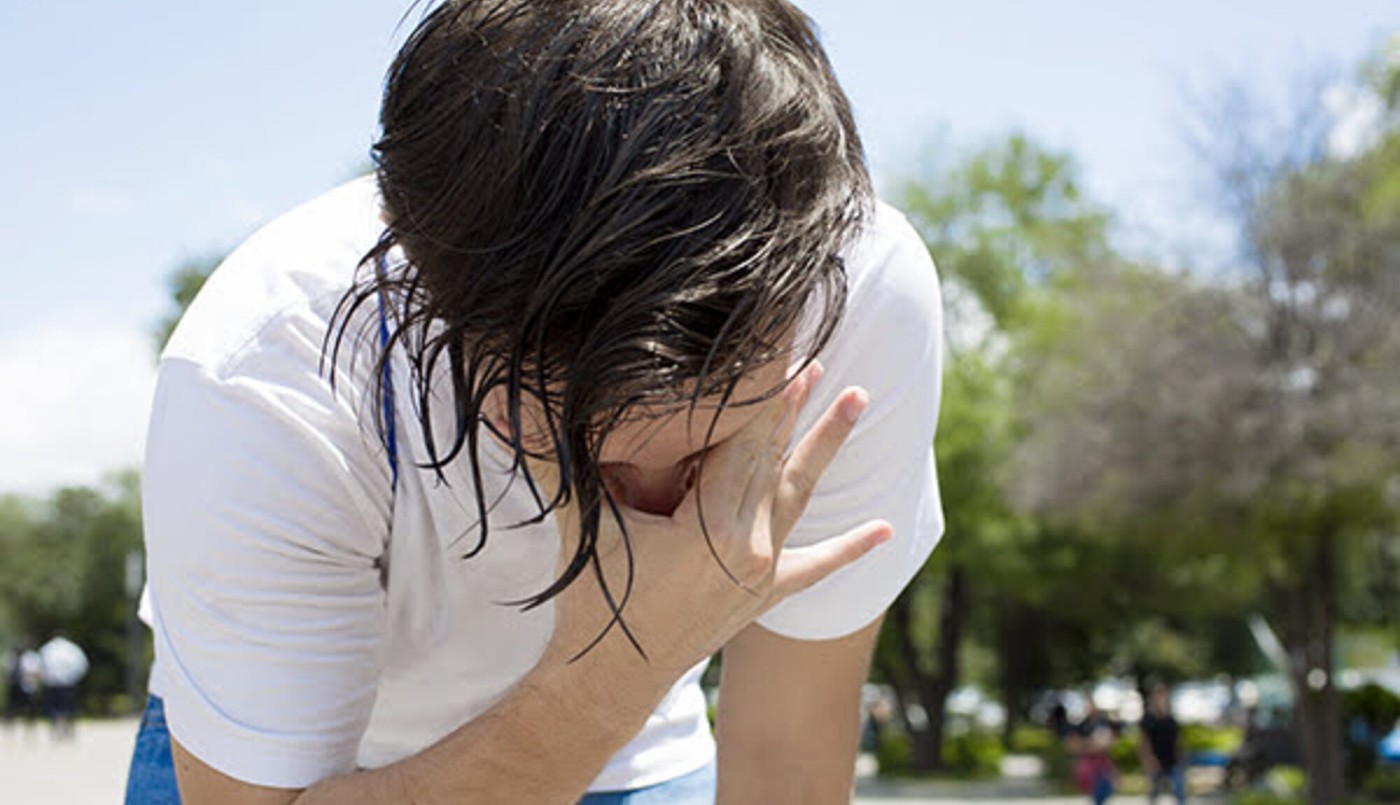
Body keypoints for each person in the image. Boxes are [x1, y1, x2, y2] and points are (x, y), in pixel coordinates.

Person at [124, 1, 944, 803]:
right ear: (434, 313)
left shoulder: (862, 301)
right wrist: (608, 679)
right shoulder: (269, 376)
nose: (677, 525)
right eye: (598, 458)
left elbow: (783, 757)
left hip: (638, 760)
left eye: (712, 448)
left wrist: (619, 692)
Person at [1067, 693, 1119, 805]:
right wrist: (1091, 745)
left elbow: (1110, 741)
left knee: (1106, 788)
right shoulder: (1082, 724)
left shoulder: (1104, 722)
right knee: (1094, 790)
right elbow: (1073, 743)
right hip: (1089, 763)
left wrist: (1091, 744)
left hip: (1102, 761)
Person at [1139, 684, 1186, 805]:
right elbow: (1144, 741)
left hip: (1172, 759)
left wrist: (1180, 754)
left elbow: (1177, 739)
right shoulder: (1148, 719)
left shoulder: (1170, 718)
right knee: (1155, 791)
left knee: (1179, 790)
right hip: (1156, 759)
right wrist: (1149, 759)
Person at [38, 633, 89, 741]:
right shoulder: (72, 649)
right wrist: (74, 678)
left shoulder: (47, 649)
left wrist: (45, 679)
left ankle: (55, 730)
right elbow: (82, 665)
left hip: (52, 684)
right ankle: (69, 729)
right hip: (68, 684)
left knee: (53, 708)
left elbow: (39, 667)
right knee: (69, 708)